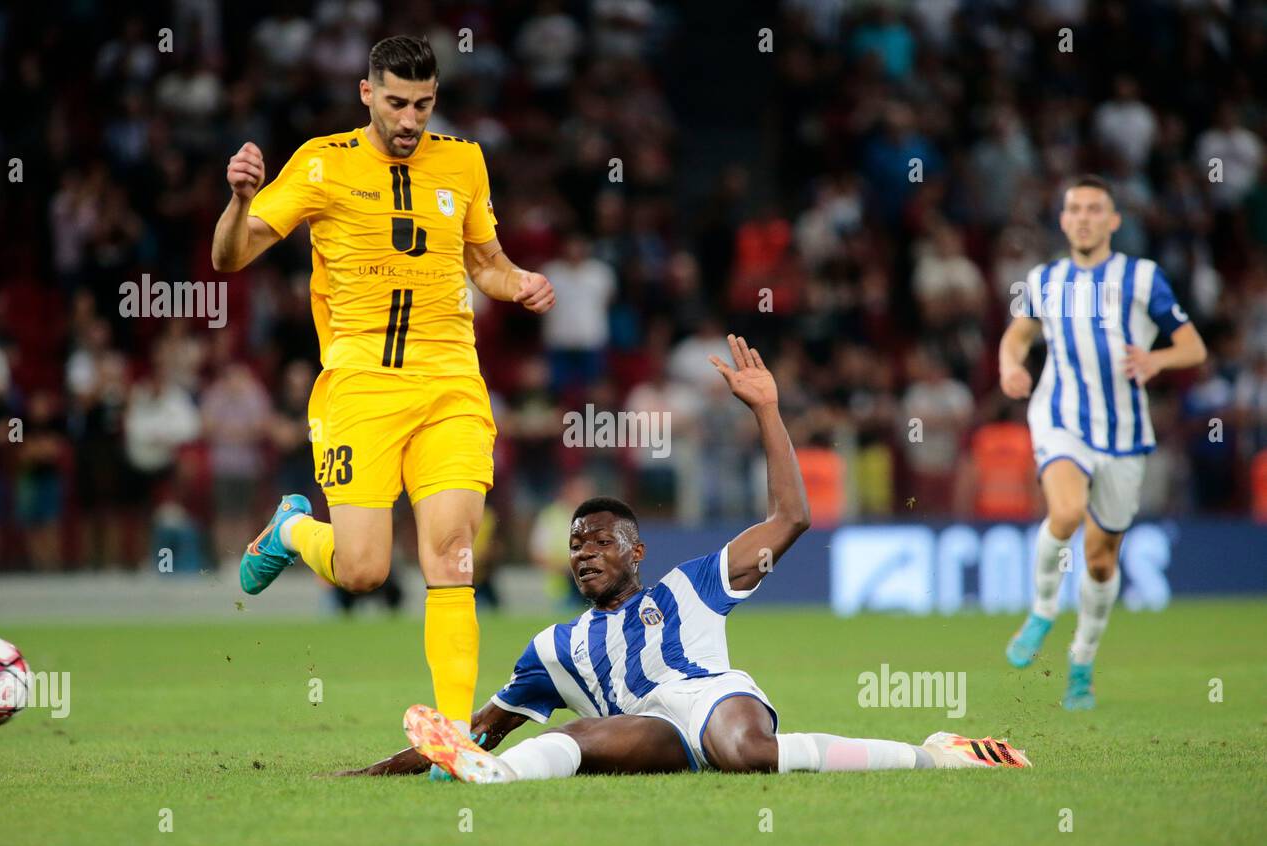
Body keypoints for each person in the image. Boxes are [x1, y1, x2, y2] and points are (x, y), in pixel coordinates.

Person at [343, 336, 1031, 781]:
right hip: (650, 735)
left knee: (747, 753)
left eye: (599, 542)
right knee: (584, 734)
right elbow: (473, 734)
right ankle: (502, 779)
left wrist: (766, 410)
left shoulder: (692, 587)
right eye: (575, 544)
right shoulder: (553, 649)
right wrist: (367, 775)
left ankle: (935, 755)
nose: (583, 553)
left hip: (711, 699)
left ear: (635, 552)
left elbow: (791, 519)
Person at [211, 36, 554, 732]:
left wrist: (517, 281)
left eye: (423, 105)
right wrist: (239, 198)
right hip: (361, 386)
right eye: (396, 102)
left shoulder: (463, 160)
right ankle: (293, 529)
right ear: (367, 94)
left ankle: (453, 739)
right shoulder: (320, 162)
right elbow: (231, 257)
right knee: (364, 570)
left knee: (453, 554)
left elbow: (485, 262)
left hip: (452, 383)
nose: (409, 119)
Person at [999, 174, 1208, 709]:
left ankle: (1082, 662)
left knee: (1098, 562)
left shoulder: (1143, 278)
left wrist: (1155, 358)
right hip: (1060, 416)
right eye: (1075, 209)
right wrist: (1009, 366)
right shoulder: (1043, 279)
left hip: (1125, 434)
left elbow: (1192, 347)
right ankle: (1044, 609)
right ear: (1064, 220)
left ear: (1114, 220)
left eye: (1095, 209)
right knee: (1065, 513)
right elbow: (1019, 334)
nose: (1085, 217)